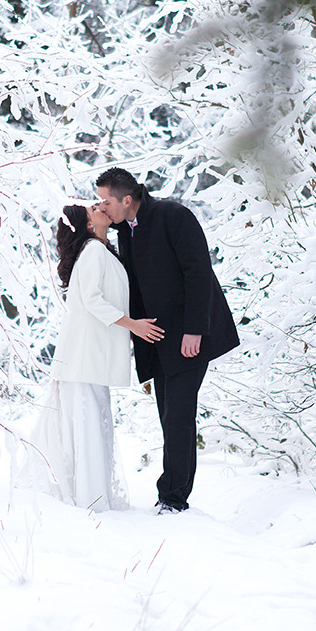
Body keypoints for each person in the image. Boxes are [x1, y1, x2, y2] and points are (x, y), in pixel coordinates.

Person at [95, 168, 239, 513]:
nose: (102, 207)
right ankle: (172, 493)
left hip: (189, 336)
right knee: (168, 415)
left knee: (178, 416)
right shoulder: (126, 229)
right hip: (158, 340)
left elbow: (198, 271)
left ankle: (174, 499)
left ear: (126, 200)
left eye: (106, 201)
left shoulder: (174, 216)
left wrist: (195, 330)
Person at [31, 202, 163, 511]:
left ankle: (93, 499)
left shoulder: (103, 250)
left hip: (90, 360)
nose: (101, 206)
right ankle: (91, 503)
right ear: (89, 225)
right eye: (94, 207)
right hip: (82, 359)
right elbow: (92, 299)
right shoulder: (92, 250)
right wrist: (133, 326)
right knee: (87, 430)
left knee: (93, 428)